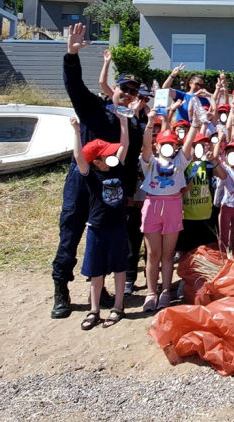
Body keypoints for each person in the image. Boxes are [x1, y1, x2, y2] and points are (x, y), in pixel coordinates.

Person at [52, 23, 143, 320]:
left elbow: (129, 161)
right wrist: (71, 55)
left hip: (111, 190)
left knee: (105, 239)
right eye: (124, 89)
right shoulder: (93, 107)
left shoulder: (130, 124)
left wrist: (128, 193)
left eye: (133, 92)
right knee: (70, 232)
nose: (128, 95)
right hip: (83, 180)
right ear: (113, 88)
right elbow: (74, 86)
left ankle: (100, 290)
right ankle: (61, 289)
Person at [69, 112, 130, 330]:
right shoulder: (91, 175)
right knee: (96, 271)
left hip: (118, 227)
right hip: (96, 228)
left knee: (120, 268)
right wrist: (77, 131)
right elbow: (78, 156)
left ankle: (118, 306)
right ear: (96, 160)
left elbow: (124, 145)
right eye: (107, 154)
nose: (113, 155)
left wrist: (124, 123)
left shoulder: (117, 168)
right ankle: (94, 310)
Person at [138, 107, 194, 313]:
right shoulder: (150, 162)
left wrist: (196, 123)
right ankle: (151, 292)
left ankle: (166, 292)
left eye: (172, 144)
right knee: (153, 253)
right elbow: (145, 146)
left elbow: (188, 142)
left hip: (173, 206)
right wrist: (151, 123)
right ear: (158, 145)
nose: (168, 147)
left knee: (168, 255)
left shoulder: (180, 161)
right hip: (152, 206)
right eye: (164, 144)